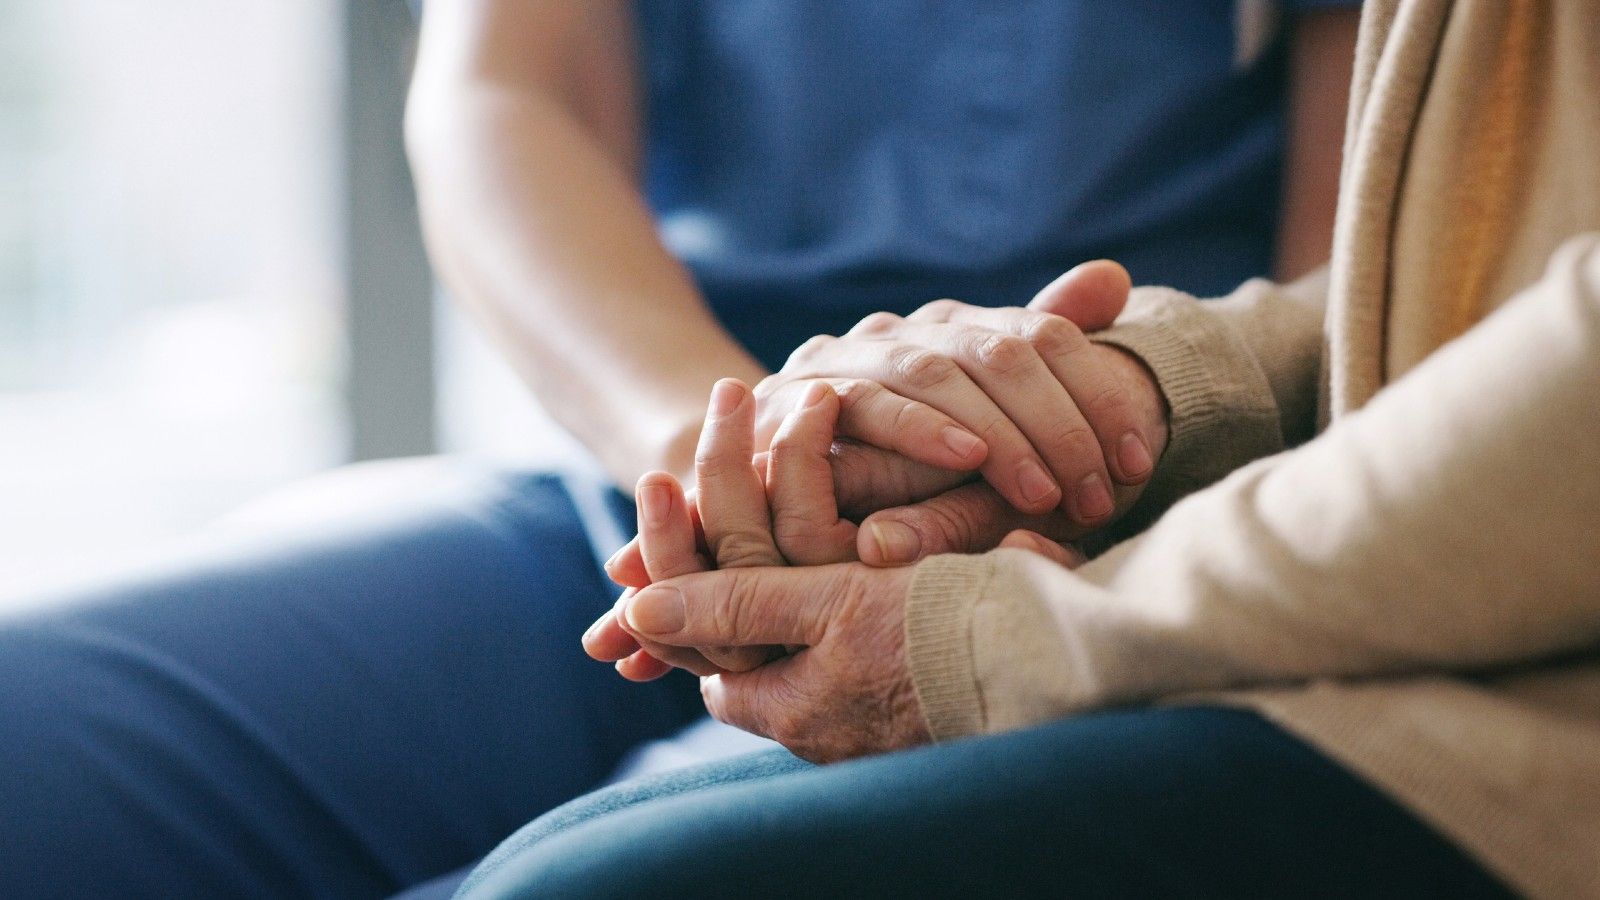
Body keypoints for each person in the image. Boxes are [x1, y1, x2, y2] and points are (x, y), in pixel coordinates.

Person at [0, 2, 1359, 898]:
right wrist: (726, 454)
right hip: (642, 477)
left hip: (1086, 535)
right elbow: (504, 98)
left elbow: (1364, 278)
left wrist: (1070, 478)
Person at [454, 2, 1600, 897]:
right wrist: (1147, 385)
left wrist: (1003, 634)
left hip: (1440, 661)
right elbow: (1451, 285)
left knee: (574, 882)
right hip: (735, 470)